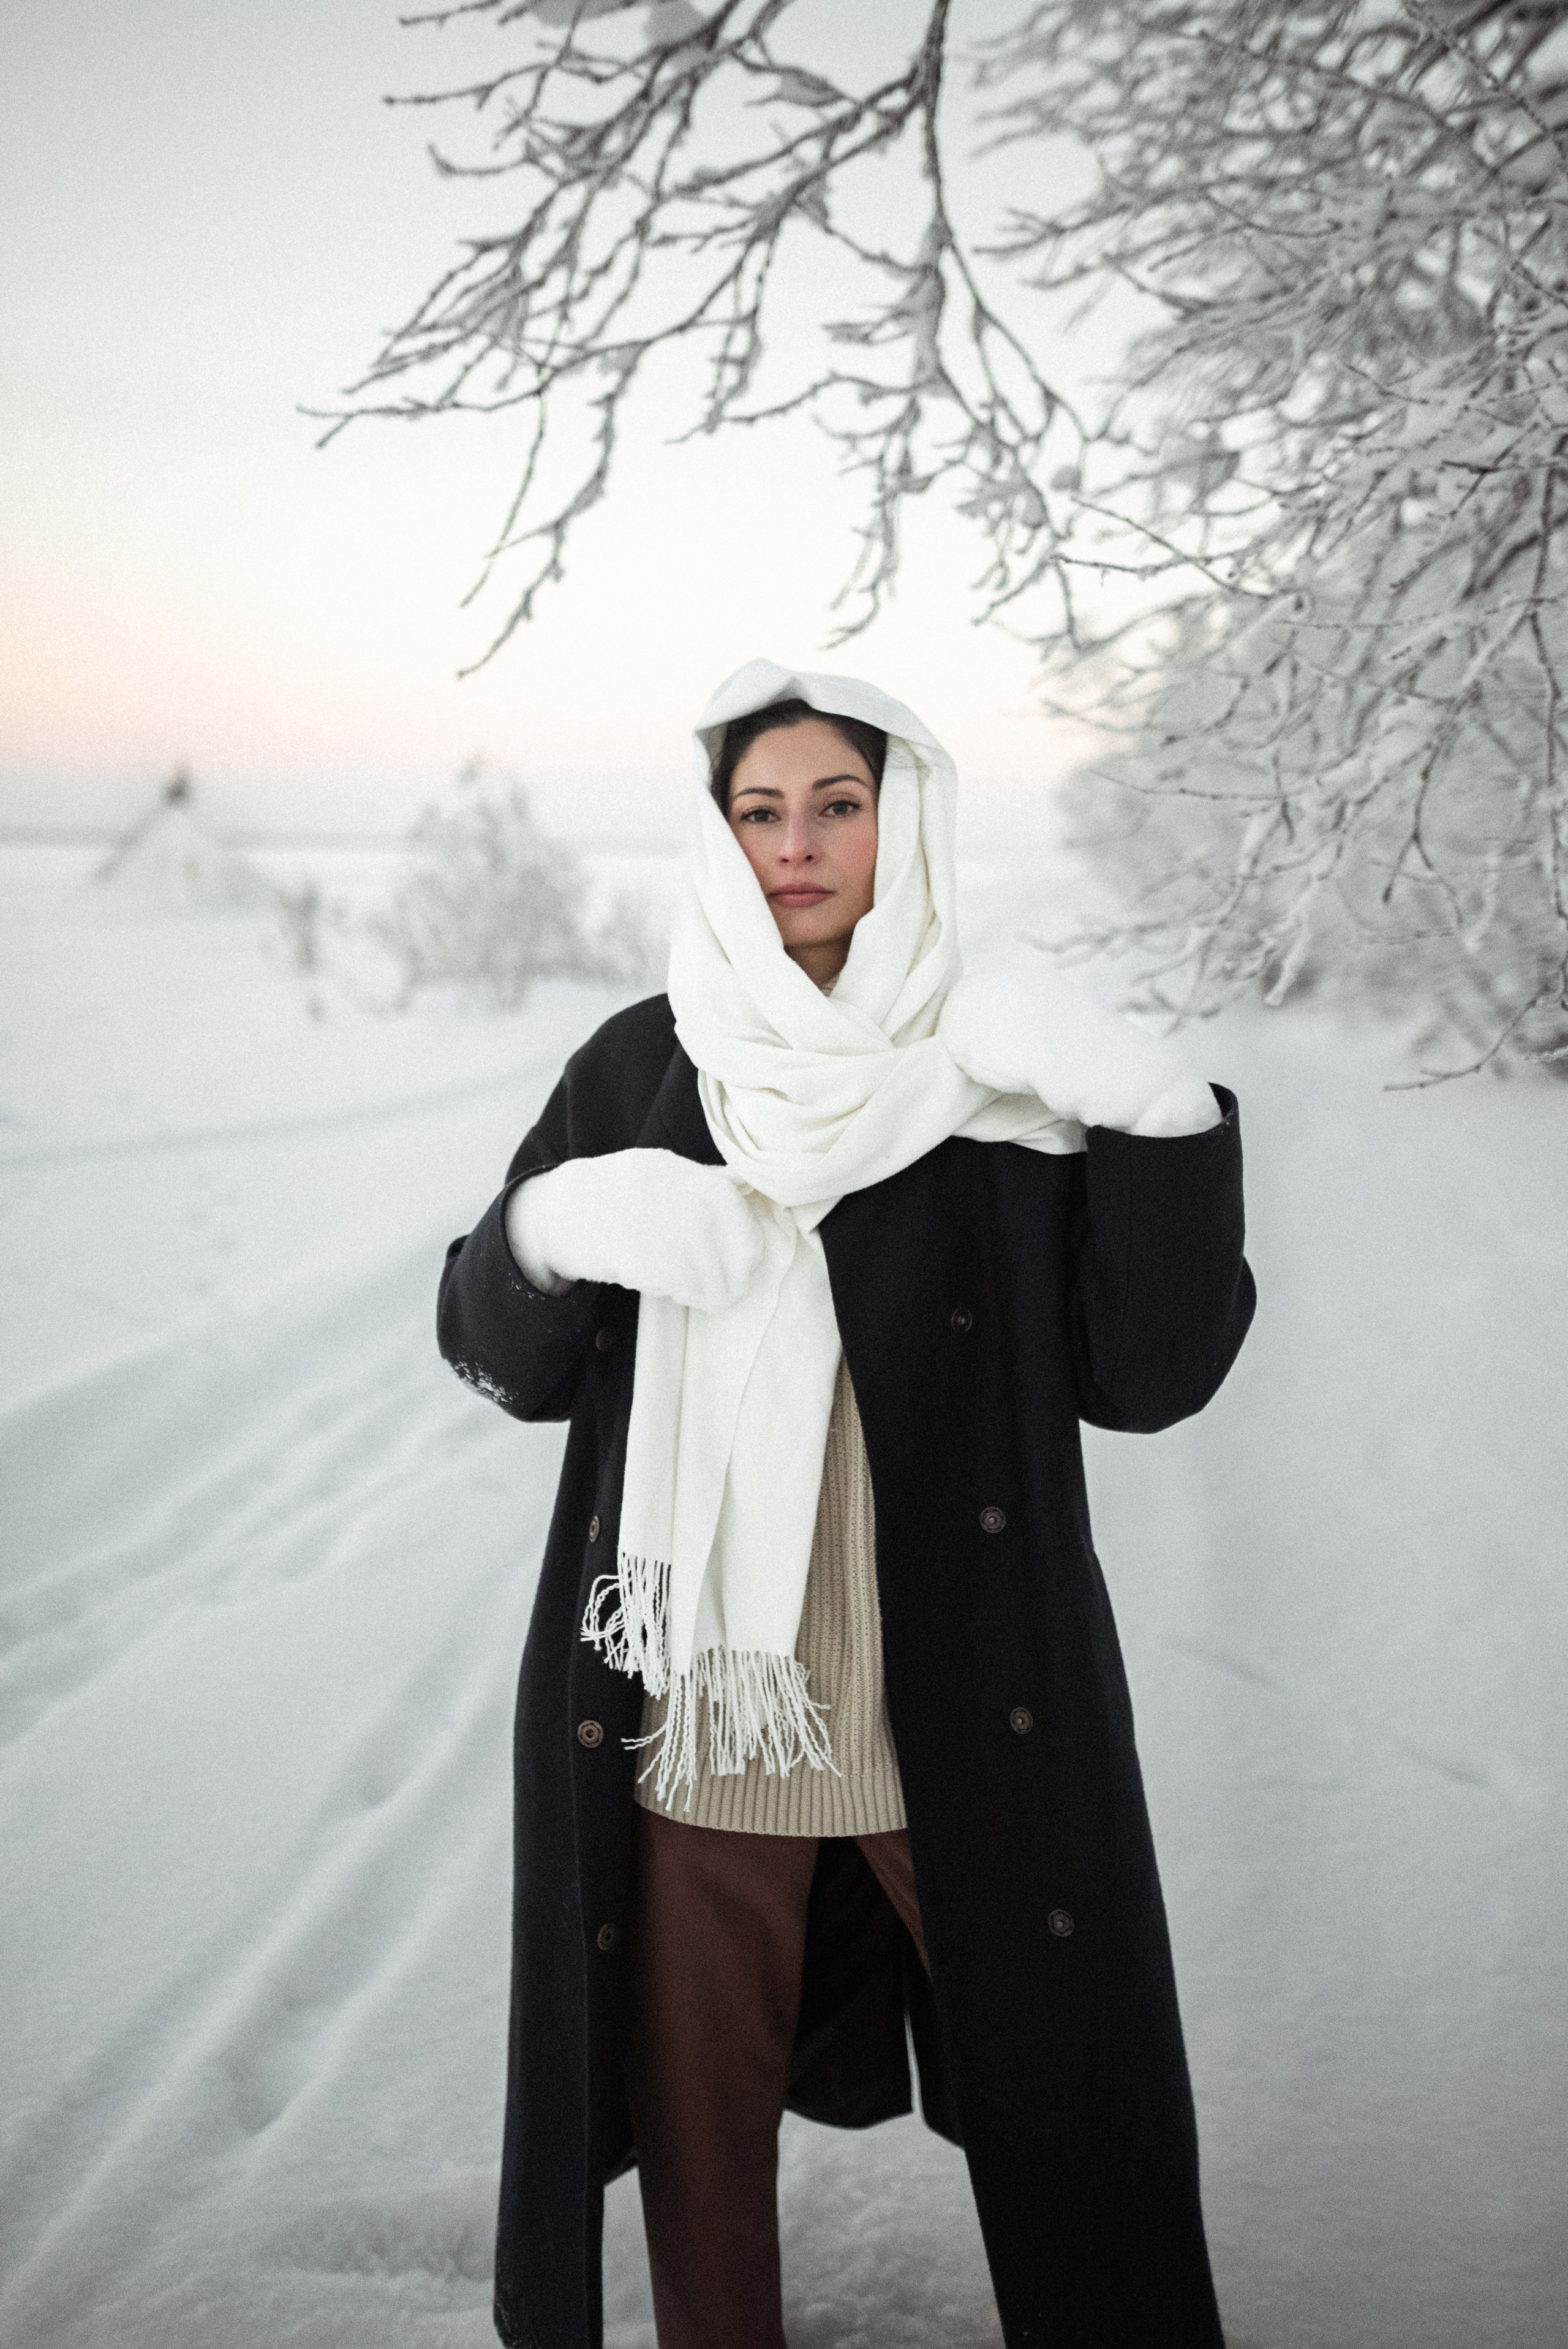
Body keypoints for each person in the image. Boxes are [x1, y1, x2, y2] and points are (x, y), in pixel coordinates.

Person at [437, 659, 1256, 2349]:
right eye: (758, 810)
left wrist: (1153, 1113)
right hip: (698, 1717)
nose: (794, 846)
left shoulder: (996, 1073)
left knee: (1076, 2124)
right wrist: (554, 1228)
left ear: (905, 817)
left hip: (959, 1708)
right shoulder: (642, 1068)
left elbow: (1152, 1374)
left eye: (836, 804)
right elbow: (492, 1344)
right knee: (695, 2156)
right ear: (715, 834)